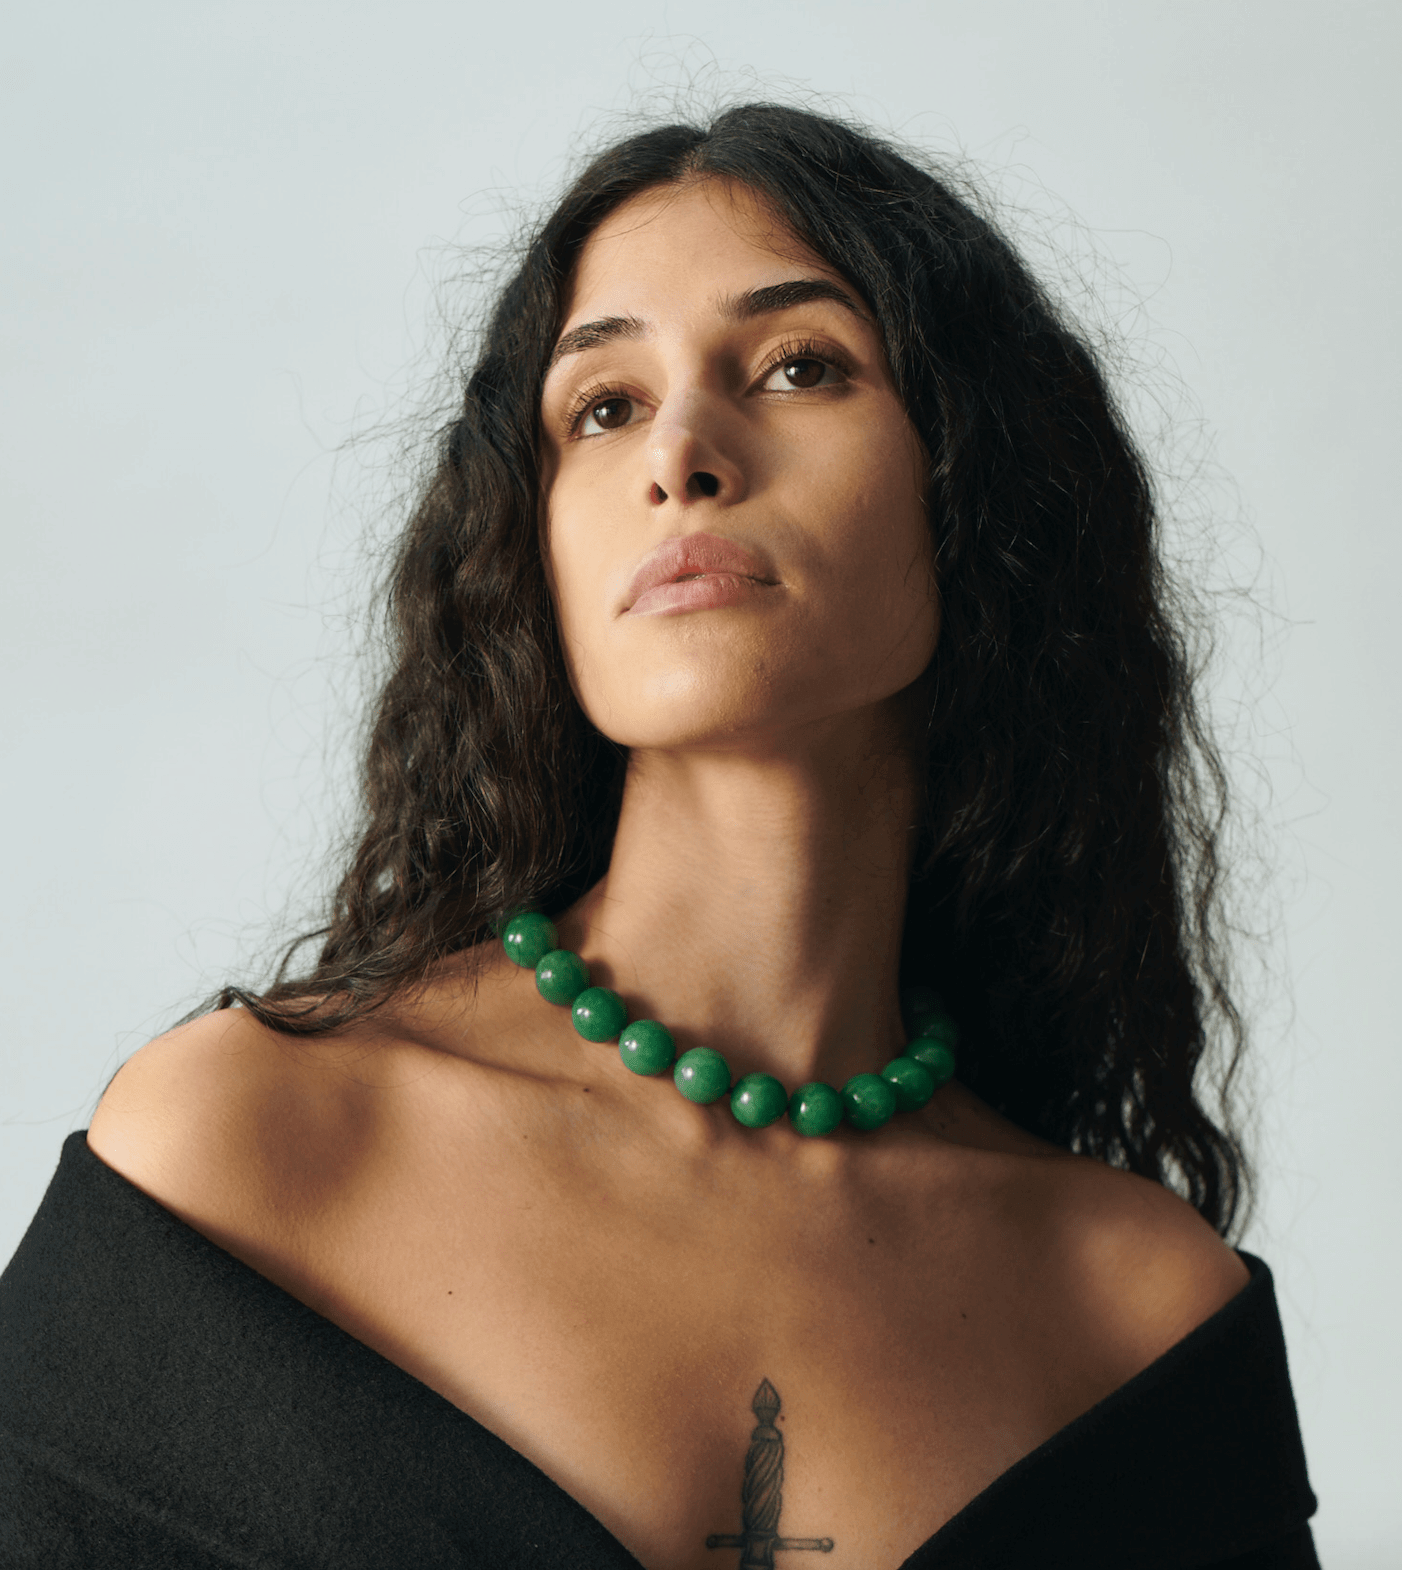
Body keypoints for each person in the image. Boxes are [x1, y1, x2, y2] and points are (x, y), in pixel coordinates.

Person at [0, 104, 1317, 1568]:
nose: (682, 450)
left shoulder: (1132, 1320)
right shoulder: (252, 1149)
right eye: (603, 407)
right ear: (530, 548)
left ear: (973, 489)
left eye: (799, 366)